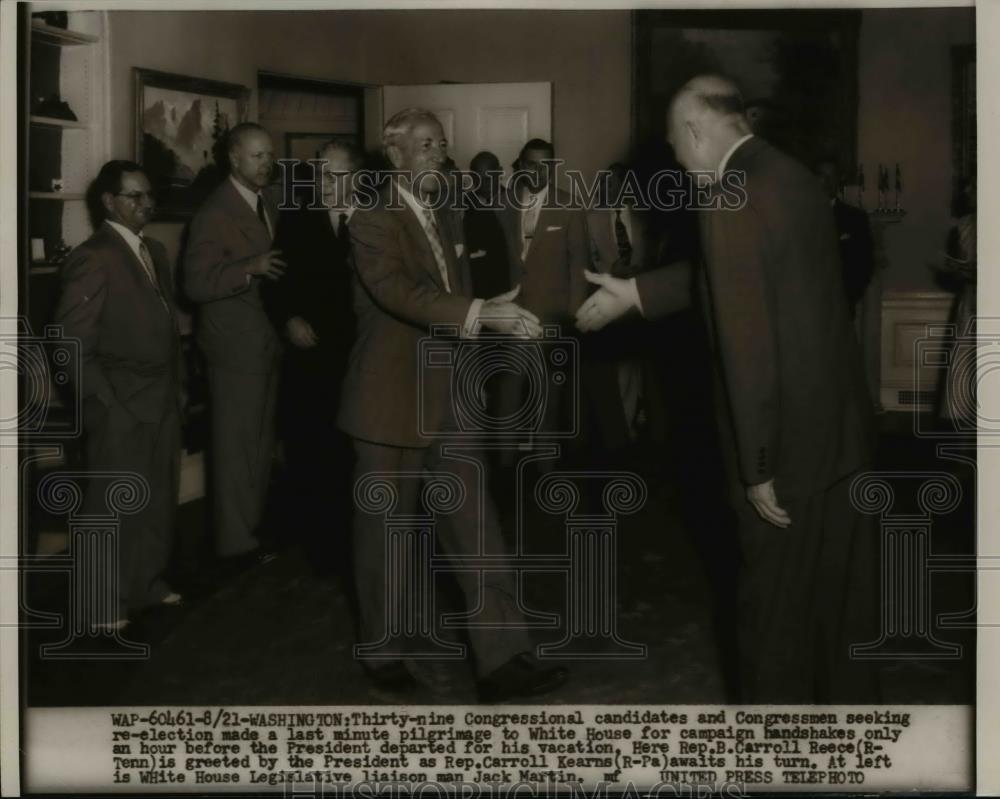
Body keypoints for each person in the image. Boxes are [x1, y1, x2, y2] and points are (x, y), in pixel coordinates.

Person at [576, 75, 878, 703]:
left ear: (694, 131)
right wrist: (636, 292)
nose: (679, 164)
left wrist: (756, 465)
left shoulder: (723, 198)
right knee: (835, 611)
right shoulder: (787, 175)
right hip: (837, 432)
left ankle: (771, 760)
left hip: (784, 446)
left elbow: (746, 347)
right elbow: (740, 273)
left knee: (770, 620)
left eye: (675, 147)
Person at [338, 107, 568, 701]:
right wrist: (477, 312)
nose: (435, 155)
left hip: (447, 393)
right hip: (388, 398)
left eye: (440, 144)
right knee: (386, 533)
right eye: (421, 146)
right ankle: (383, 648)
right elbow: (396, 291)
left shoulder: (446, 209)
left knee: (478, 529)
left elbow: (456, 293)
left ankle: (504, 657)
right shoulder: (370, 215)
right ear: (393, 154)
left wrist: (499, 310)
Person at [55, 160, 183, 630]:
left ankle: (145, 585)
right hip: (119, 402)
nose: (146, 204)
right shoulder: (95, 255)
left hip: (162, 396)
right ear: (109, 202)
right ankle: (99, 605)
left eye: (149, 195)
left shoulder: (154, 251)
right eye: (134, 196)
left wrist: (180, 386)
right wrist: (105, 404)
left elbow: (166, 325)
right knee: (109, 507)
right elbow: (71, 341)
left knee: (155, 500)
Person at [183, 123, 285, 566]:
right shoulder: (215, 213)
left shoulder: (268, 202)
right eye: (258, 156)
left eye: (269, 155)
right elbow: (195, 284)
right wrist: (251, 266)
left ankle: (250, 532)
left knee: (258, 445)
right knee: (235, 448)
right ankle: (234, 543)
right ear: (234, 160)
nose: (267, 164)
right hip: (234, 348)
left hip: (264, 343)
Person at [262, 140, 361, 572]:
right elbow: (275, 281)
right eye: (320, 174)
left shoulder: (378, 220)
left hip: (362, 356)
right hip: (312, 355)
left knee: (356, 452)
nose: (324, 184)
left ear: (357, 179)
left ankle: (358, 540)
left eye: (335, 176)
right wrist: (288, 319)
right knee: (312, 448)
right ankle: (318, 543)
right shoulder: (298, 219)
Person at [816, 159, 876, 317]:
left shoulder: (855, 218)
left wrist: (846, 299)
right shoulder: (797, 217)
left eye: (832, 176)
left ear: (839, 179)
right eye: (823, 176)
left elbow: (864, 264)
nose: (828, 182)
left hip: (841, 309)